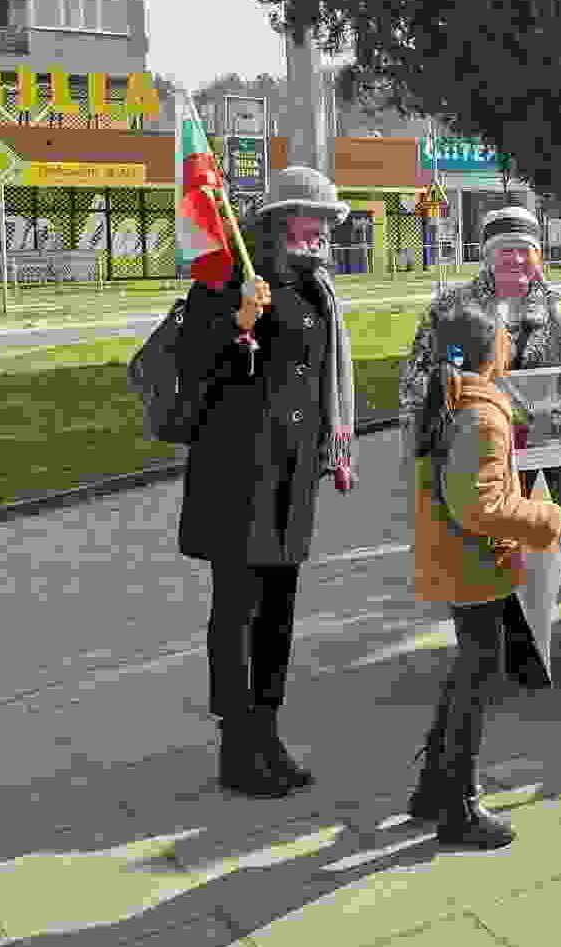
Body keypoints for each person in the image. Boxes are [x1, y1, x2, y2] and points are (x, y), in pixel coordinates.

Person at [175, 166, 355, 799]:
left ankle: (268, 732)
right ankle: (238, 744)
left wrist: (332, 446)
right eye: (310, 217)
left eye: (327, 220)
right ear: (278, 221)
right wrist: (240, 320)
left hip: (291, 476)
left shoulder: (315, 286)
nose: (321, 230)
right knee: (238, 611)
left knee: (278, 611)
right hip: (238, 474)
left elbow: (319, 376)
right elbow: (196, 362)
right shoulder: (229, 277)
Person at [405, 302, 561, 849]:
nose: (510, 341)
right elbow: (479, 506)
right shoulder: (480, 416)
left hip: (459, 559)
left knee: (468, 670)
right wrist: (546, 519)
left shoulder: (454, 399)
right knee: (477, 679)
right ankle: (459, 806)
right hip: (475, 562)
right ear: (490, 349)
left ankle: (434, 787)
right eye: (504, 334)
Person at [400, 206, 561, 690]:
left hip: (547, 455)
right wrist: (441, 418)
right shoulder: (453, 307)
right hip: (479, 449)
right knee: (491, 546)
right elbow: (417, 376)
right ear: (486, 255)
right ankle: (492, 651)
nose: (515, 259)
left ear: (538, 254)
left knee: (542, 548)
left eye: (524, 250)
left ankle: (532, 646)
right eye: (504, 250)